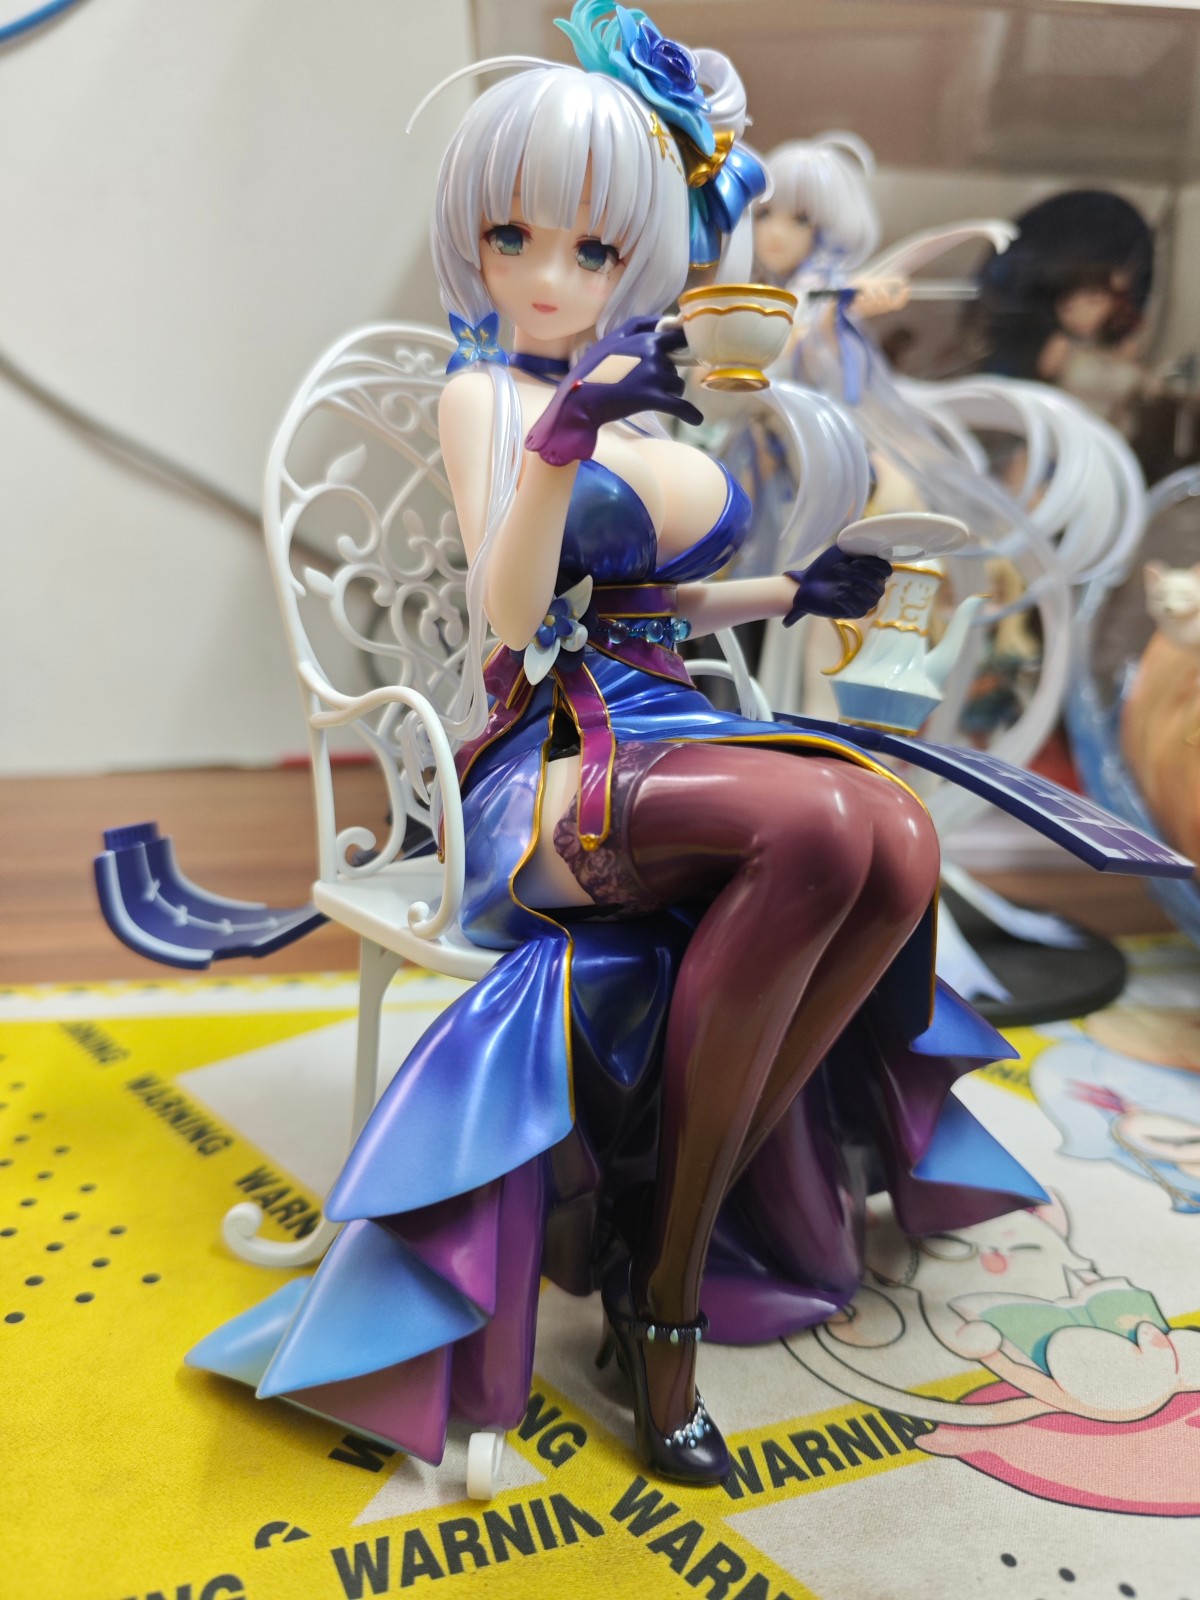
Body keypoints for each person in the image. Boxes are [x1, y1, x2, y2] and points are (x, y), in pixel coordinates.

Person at [190, 5, 1109, 1488]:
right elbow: (512, 609)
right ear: (474, 243)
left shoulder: (655, 419)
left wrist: (795, 593)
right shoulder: (490, 396)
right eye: (513, 237)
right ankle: (662, 1304)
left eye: (594, 247)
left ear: (649, 257)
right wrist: (560, 443)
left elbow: (655, 604)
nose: (547, 275)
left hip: (674, 726)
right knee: (823, 823)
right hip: (546, 767)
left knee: (897, 837)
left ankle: (665, 1214)